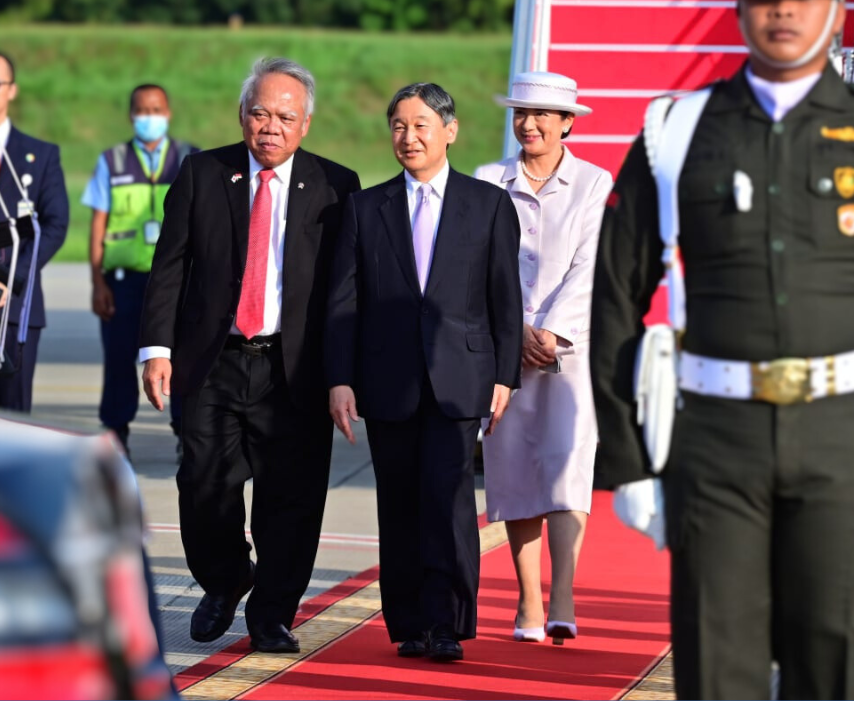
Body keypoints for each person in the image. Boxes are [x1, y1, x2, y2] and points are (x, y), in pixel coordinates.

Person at [589, 0, 854, 696]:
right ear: (738, 6)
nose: (784, 11)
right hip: (715, 443)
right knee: (716, 666)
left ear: (836, 9)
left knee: (832, 663)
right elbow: (615, 295)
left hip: (846, 441)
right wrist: (629, 460)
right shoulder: (673, 132)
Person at [140, 57, 360, 654]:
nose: (271, 127)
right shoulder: (202, 173)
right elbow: (170, 267)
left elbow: (345, 294)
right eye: (259, 113)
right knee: (202, 486)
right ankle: (227, 578)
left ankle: (272, 613)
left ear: (305, 124)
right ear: (242, 116)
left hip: (294, 370)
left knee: (291, 498)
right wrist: (157, 348)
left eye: (285, 117)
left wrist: (343, 376)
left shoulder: (338, 187)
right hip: (213, 361)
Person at [325, 82, 522, 663]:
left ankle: (448, 622)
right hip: (388, 383)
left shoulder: (487, 205)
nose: (408, 138)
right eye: (398, 127)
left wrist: (504, 375)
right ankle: (408, 621)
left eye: (420, 126)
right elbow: (344, 302)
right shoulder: (366, 208)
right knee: (400, 505)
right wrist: (340, 378)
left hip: (461, 380)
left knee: (451, 503)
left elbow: (505, 299)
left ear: (449, 131)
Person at [472, 71, 611, 645]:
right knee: (515, 473)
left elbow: (591, 263)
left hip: (570, 352)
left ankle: (563, 592)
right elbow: (476, 262)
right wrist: (515, 331)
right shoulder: (487, 179)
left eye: (542, 115)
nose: (529, 124)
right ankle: (528, 597)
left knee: (568, 469)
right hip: (504, 354)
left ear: (567, 123)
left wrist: (550, 331)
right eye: (521, 113)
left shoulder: (593, 182)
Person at [83, 83, 198, 457]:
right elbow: (98, 224)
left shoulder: (189, 159)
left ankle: (184, 432)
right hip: (124, 281)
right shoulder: (112, 161)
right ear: (131, 115)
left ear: (169, 113)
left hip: (176, 281)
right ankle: (116, 433)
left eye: (156, 110)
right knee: (118, 360)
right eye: (142, 111)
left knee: (179, 358)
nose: (150, 117)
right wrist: (97, 281)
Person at [0, 49, 69, 412]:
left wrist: (14, 279)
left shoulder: (41, 154)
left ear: (11, 90)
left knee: (13, 415)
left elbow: (55, 224)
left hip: (16, 305)